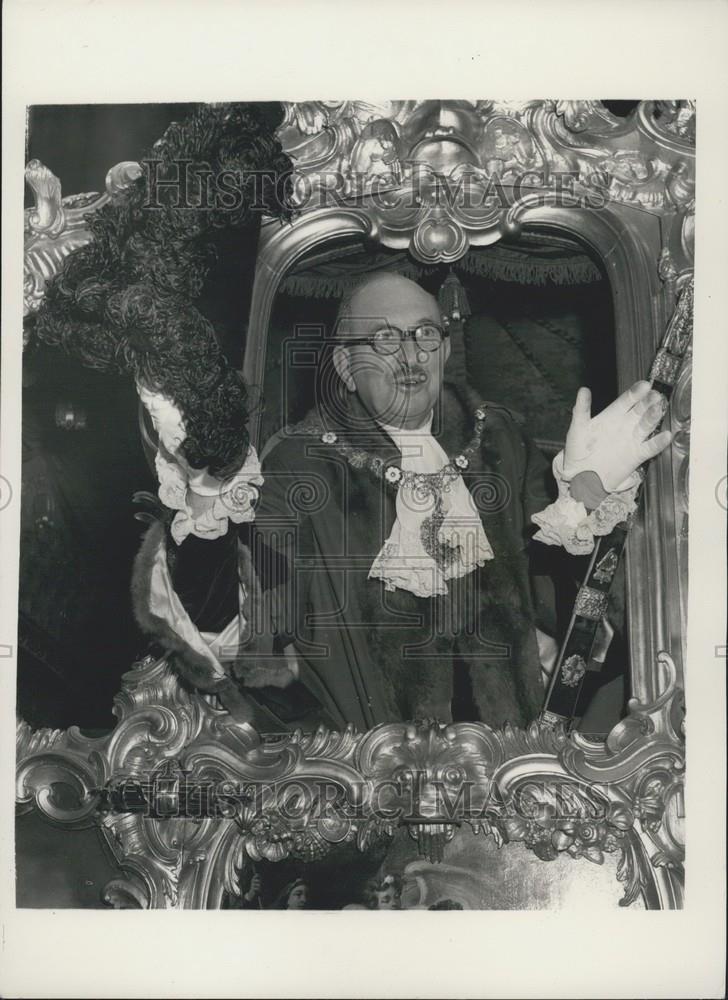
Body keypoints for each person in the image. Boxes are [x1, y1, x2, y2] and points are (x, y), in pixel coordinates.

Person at [134, 273, 670, 732]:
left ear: (445, 348)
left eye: (425, 334)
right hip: (370, 775)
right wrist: (207, 497)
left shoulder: (499, 440)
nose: (411, 355)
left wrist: (586, 498)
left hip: (511, 761)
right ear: (345, 367)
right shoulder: (298, 467)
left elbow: (582, 613)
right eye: (385, 339)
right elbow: (243, 632)